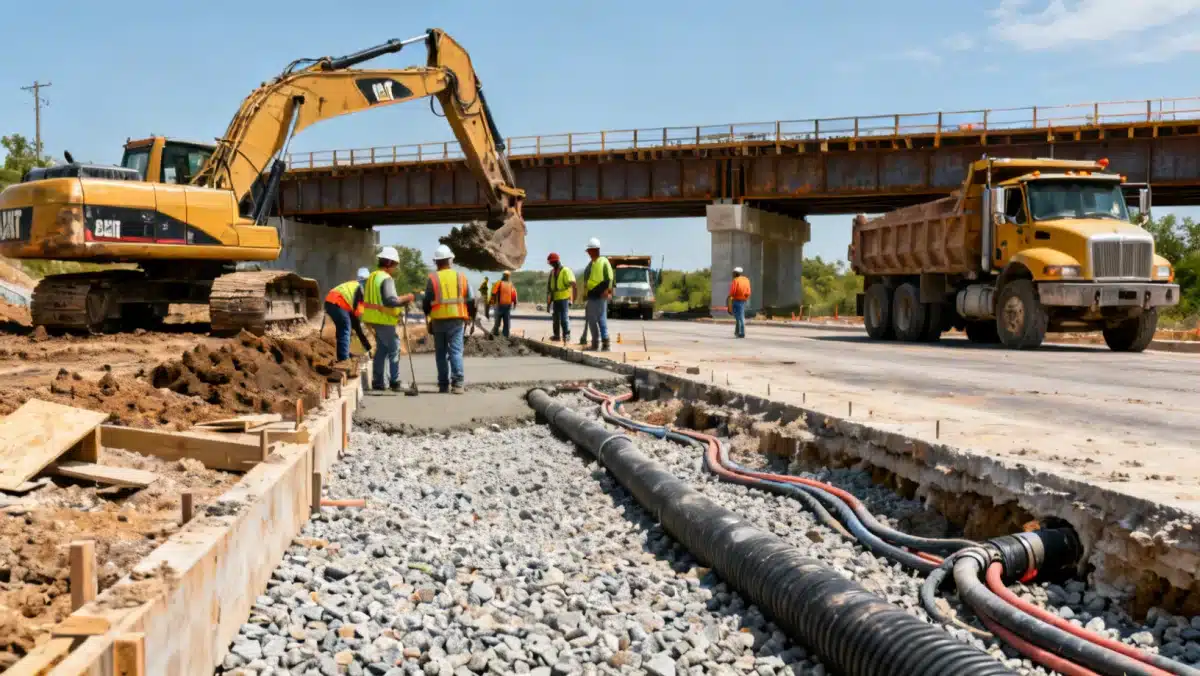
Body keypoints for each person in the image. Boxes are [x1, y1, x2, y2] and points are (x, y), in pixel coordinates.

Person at [362, 247, 415, 391]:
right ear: (390, 262)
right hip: (384, 319)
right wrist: (407, 298)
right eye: (395, 265)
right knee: (394, 348)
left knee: (382, 350)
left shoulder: (373, 276)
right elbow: (390, 300)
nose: (395, 268)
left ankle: (378, 381)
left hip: (374, 319)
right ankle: (395, 381)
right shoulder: (386, 278)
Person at [422, 245, 471, 394]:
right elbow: (471, 298)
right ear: (450, 260)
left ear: (436, 262)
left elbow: (426, 301)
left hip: (438, 321)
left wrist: (428, 317)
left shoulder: (433, 278)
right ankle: (458, 384)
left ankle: (443, 384)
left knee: (441, 353)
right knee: (456, 352)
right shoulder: (461, 277)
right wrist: (471, 317)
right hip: (457, 320)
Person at [322, 267, 373, 362]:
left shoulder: (353, 286)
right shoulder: (360, 290)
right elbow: (358, 324)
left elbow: (357, 327)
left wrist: (367, 347)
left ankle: (344, 355)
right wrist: (368, 348)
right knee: (346, 327)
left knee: (343, 329)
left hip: (331, 302)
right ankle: (344, 360)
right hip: (337, 302)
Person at [581, 237, 613, 351]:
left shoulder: (603, 261)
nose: (588, 253)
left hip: (600, 294)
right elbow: (588, 280)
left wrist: (607, 291)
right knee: (594, 319)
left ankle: (601, 343)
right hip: (592, 295)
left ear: (595, 250)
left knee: (598, 319)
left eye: (589, 250)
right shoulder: (591, 264)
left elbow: (609, 277)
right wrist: (585, 295)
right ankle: (600, 343)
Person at [546, 252, 576, 342]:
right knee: (555, 319)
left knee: (564, 318)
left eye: (551, 263)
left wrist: (571, 299)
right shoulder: (552, 272)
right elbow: (550, 289)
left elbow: (572, 285)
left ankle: (566, 335)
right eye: (550, 263)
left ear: (556, 261)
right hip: (555, 299)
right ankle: (556, 336)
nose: (551, 264)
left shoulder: (566, 271)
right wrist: (548, 303)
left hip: (564, 298)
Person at [490, 271, 518, 338]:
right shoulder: (502, 283)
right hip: (500, 306)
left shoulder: (507, 284)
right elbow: (493, 293)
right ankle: (495, 335)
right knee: (499, 323)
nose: (506, 277)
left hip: (505, 307)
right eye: (506, 275)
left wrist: (515, 303)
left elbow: (514, 295)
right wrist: (515, 303)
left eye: (506, 275)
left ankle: (504, 337)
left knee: (504, 323)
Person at [726, 266, 751, 339]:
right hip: (743, 300)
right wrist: (745, 297)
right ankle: (737, 332)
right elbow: (748, 291)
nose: (732, 274)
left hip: (736, 300)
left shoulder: (735, 280)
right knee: (738, 317)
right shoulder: (746, 279)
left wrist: (730, 298)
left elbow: (732, 292)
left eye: (733, 273)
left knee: (740, 317)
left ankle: (742, 333)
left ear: (736, 273)